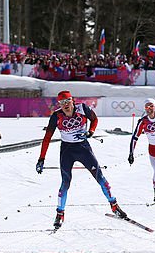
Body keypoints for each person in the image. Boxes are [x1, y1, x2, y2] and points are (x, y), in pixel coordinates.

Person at [36, 90, 126, 230]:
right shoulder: (56, 116)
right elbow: (47, 138)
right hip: (67, 151)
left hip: (83, 148)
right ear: (59, 104)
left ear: (72, 100)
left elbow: (95, 119)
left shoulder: (82, 108)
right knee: (65, 183)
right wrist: (41, 159)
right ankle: (60, 214)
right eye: (62, 103)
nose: (66, 105)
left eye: (67, 101)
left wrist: (91, 131)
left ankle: (114, 205)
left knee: (100, 178)